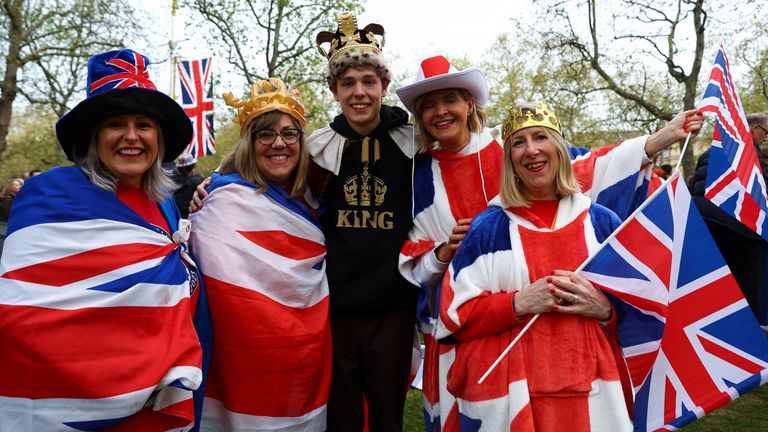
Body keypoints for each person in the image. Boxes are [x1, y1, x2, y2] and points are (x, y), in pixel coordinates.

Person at [395, 56, 704, 430]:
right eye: (428, 105)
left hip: (565, 348)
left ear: (469, 104)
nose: (441, 112)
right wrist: (444, 252)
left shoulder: (504, 145)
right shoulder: (414, 172)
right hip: (466, 319)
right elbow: (411, 255)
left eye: (450, 101)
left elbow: (583, 170)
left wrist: (658, 140)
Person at [0, 48, 210, 430]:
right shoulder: (49, 195)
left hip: (156, 407)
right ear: (95, 135)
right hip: (73, 409)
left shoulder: (166, 206)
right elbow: (22, 316)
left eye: (143, 124)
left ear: (159, 138)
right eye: (116, 123)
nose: (131, 136)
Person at [189, 78, 330, 431]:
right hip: (240, 361)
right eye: (265, 134)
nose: (278, 143)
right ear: (249, 143)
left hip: (306, 359)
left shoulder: (318, 198)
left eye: (288, 133)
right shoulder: (219, 200)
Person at [312, 12, 420, 431]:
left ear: (384, 87)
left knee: (387, 412)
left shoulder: (412, 142)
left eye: (368, 82)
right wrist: (215, 180)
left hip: (393, 305)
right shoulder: (319, 147)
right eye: (348, 83)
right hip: (336, 306)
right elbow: (265, 169)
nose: (359, 92)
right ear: (334, 90)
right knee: (341, 413)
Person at [689, 112, 768, 324]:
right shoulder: (749, 154)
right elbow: (760, 195)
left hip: (705, 227)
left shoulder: (711, 150)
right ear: (753, 129)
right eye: (765, 133)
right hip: (739, 233)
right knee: (743, 299)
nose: (765, 138)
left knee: (714, 292)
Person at [173, 154, 205, 219]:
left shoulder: (171, 181)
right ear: (193, 166)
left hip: (174, 215)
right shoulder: (197, 182)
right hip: (190, 217)